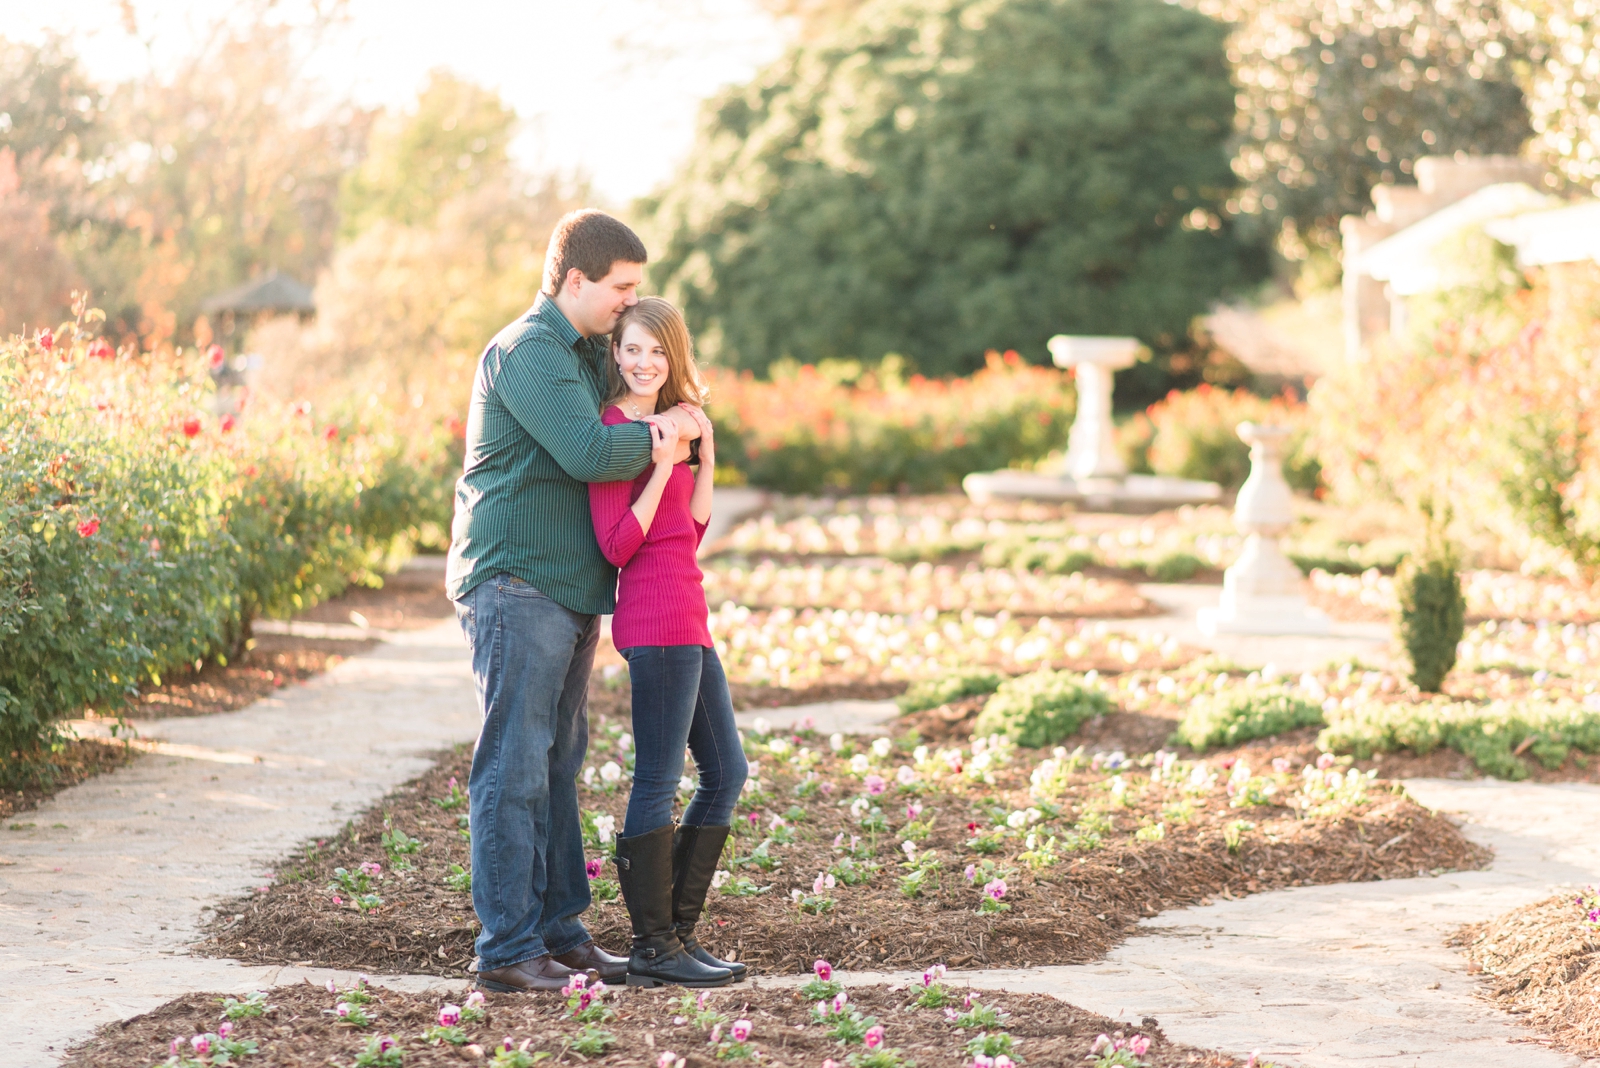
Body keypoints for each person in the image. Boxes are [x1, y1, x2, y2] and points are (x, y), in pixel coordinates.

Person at [447, 210, 703, 993]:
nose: (631, 302)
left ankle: (559, 932)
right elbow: (594, 453)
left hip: (565, 590)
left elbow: (628, 399)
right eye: (622, 288)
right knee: (514, 768)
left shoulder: (584, 352)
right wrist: (670, 436)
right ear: (575, 280)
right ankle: (507, 952)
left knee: (558, 767)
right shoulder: (528, 352)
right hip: (514, 583)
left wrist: (669, 409)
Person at [588, 297, 748, 988]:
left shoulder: (675, 427)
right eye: (631, 349)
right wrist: (660, 466)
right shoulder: (615, 427)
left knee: (728, 773)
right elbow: (619, 545)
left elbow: (694, 530)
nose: (644, 362)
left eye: (657, 351)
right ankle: (653, 947)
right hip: (653, 625)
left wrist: (702, 455)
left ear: (674, 356)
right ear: (615, 353)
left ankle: (677, 935)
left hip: (690, 619)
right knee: (658, 780)